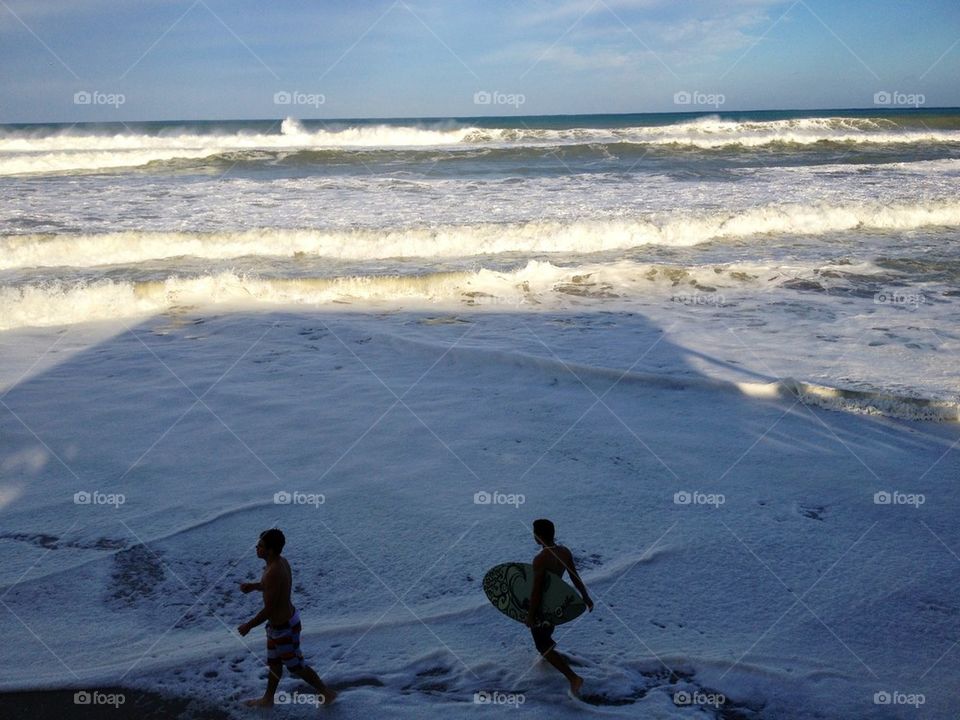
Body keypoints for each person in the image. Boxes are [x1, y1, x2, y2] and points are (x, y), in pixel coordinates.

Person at [237, 528, 337, 707]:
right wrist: (253, 586)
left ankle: (326, 692)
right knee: (274, 664)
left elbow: (269, 608)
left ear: (271, 550)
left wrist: (248, 626)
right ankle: (268, 699)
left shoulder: (274, 570)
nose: (256, 548)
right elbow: (269, 587)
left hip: (285, 628)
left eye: (260, 546)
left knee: (296, 666)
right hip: (276, 627)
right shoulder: (277, 562)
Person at [525, 518, 594, 697]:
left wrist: (531, 614)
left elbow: (537, 590)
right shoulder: (564, 552)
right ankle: (551, 658)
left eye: (534, 532)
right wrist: (585, 597)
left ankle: (573, 678)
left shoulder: (540, 559)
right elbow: (574, 576)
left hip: (543, 607)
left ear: (538, 536)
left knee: (541, 646)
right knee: (546, 639)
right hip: (558, 604)